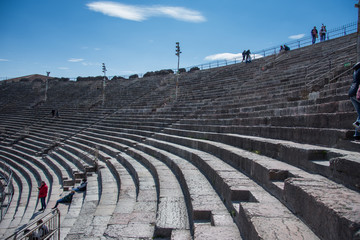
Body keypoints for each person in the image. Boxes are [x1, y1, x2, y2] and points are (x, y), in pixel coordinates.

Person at [349, 62, 360, 140]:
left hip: (352, 93)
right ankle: (357, 124)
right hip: (357, 93)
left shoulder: (355, 70)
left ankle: (357, 135)